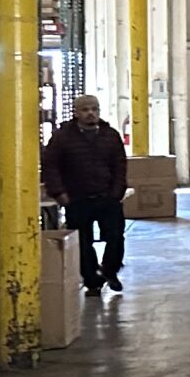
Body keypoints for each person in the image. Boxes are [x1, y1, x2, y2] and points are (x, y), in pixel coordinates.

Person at [45, 93, 128, 293]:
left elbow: (120, 165)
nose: (90, 113)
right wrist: (59, 193)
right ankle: (92, 281)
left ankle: (109, 269)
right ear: (76, 112)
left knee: (116, 237)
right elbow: (51, 166)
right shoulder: (62, 137)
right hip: (77, 198)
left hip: (107, 197)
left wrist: (117, 192)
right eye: (85, 109)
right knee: (83, 242)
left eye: (94, 109)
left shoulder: (110, 135)